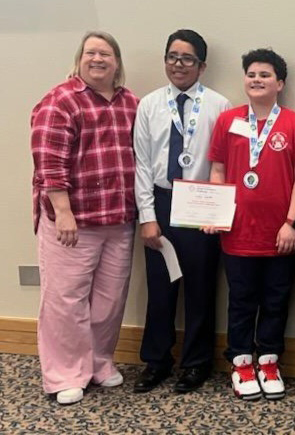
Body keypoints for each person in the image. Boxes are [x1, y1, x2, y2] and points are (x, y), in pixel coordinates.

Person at [30, 31, 139, 405]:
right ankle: (65, 374)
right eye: (91, 52)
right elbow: (48, 161)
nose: (98, 59)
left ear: (117, 62)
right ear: (79, 59)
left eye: (105, 53)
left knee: (109, 301)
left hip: (118, 220)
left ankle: (98, 362)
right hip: (73, 222)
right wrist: (63, 213)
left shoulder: (130, 103)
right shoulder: (60, 100)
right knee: (66, 300)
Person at [207, 48, 295, 401]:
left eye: (265, 75)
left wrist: (291, 223)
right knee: (241, 300)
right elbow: (218, 169)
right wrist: (215, 214)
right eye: (251, 74)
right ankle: (240, 362)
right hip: (237, 232)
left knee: (275, 300)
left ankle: (268, 361)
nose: (257, 80)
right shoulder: (227, 120)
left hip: (280, 233)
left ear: (279, 83)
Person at [133, 29, 231, 394]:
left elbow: (224, 163)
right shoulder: (149, 104)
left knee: (201, 287)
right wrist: (147, 217)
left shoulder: (219, 105)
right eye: (172, 57)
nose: (179, 64)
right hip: (161, 200)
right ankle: (156, 361)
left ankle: (196, 362)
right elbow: (142, 164)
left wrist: (218, 213)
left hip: (201, 203)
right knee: (160, 286)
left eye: (187, 58)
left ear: (201, 66)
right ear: (165, 61)